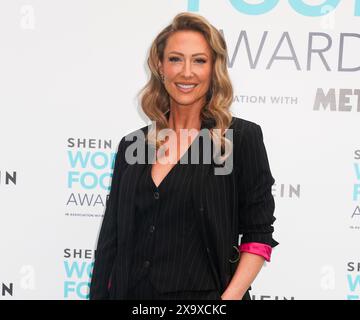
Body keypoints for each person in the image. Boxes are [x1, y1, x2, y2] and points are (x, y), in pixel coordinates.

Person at [89, 12, 278, 300]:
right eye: (176, 59)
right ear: (160, 66)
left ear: (214, 69)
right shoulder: (133, 146)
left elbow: (258, 233)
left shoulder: (237, 139)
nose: (186, 72)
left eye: (199, 60)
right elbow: (110, 242)